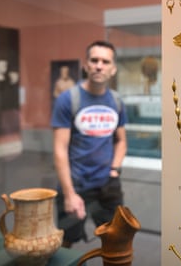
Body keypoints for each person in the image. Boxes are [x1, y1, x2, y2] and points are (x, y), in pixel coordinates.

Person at [51, 40, 127, 247]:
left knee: (116, 240)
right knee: (67, 244)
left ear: (113, 69)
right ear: (86, 65)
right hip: (75, 184)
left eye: (105, 61)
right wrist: (69, 194)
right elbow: (59, 149)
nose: (99, 65)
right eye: (94, 60)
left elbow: (121, 141)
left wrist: (114, 171)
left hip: (107, 186)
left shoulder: (117, 102)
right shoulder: (68, 100)